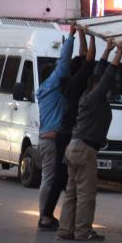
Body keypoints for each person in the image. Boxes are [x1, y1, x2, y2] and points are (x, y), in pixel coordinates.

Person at [59, 43, 122, 242]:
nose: (110, 91)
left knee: (71, 192)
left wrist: (107, 51)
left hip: (74, 147)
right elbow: (106, 76)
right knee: (86, 194)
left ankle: (65, 229)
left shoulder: (88, 94)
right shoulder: (96, 96)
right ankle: (82, 231)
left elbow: (99, 72)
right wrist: (119, 53)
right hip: (85, 149)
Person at [36, 26, 96, 231]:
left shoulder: (44, 90)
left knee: (58, 179)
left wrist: (81, 35)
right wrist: (72, 34)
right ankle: (45, 216)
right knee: (56, 180)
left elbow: (81, 58)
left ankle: (49, 216)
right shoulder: (60, 85)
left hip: (46, 138)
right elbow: (69, 61)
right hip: (53, 139)